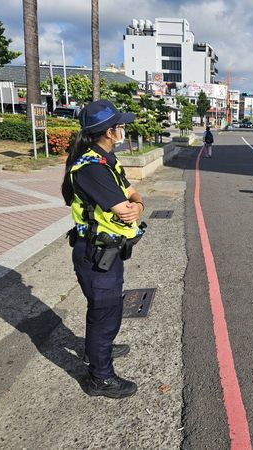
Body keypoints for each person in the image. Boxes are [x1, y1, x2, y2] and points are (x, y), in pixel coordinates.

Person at [61, 100, 146, 399]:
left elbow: (132, 193)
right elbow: (126, 209)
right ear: (110, 132)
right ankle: (100, 377)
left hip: (105, 252)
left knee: (104, 310)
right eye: (121, 126)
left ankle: (98, 350)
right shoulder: (92, 169)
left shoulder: (107, 160)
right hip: (95, 254)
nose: (124, 130)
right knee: (105, 313)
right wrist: (134, 206)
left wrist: (137, 203)